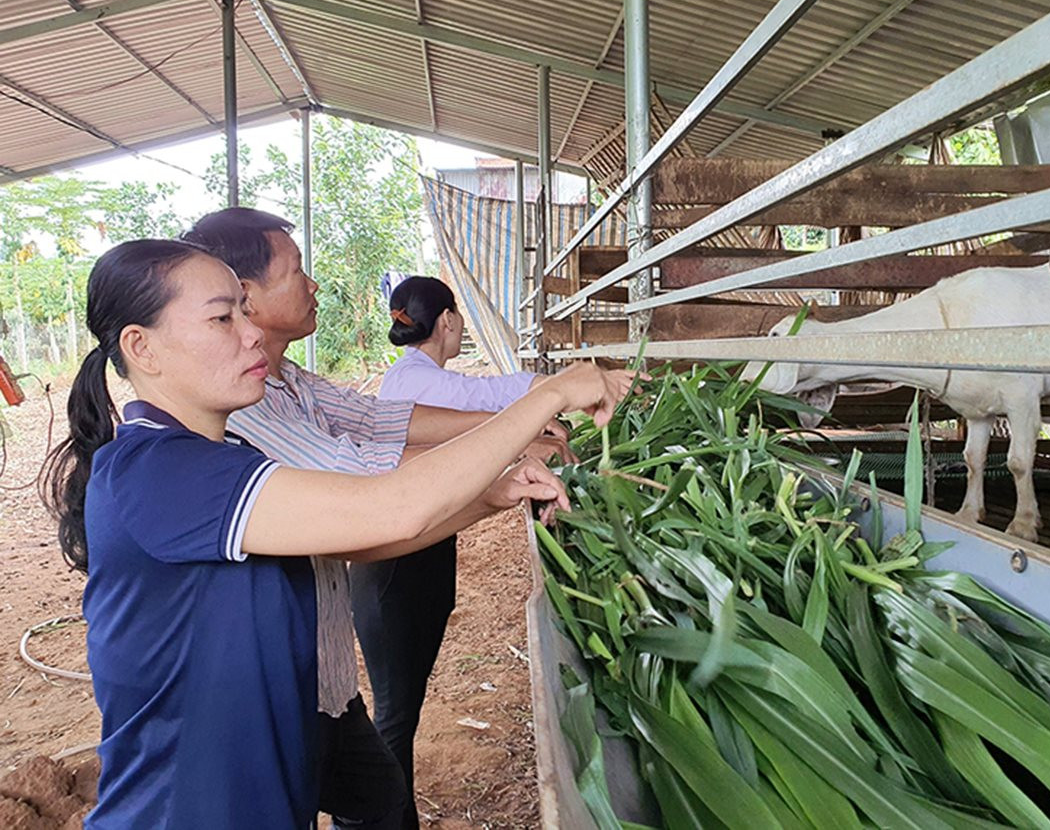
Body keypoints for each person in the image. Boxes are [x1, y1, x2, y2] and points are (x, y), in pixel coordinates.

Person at [40, 238, 634, 829]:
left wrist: (490, 494)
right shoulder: (162, 472)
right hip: (185, 810)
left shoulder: (228, 456)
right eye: (222, 318)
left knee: (375, 794)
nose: (250, 334)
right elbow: (390, 508)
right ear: (141, 347)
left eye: (244, 312)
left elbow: (354, 534)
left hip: (255, 793)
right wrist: (549, 395)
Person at [181, 207, 571, 829]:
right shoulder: (229, 419)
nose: (313, 285)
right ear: (243, 300)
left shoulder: (292, 385)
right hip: (268, 698)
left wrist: (507, 460)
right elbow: (371, 489)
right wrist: (531, 418)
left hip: (325, 680)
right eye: (297, 271)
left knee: (382, 804)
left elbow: (379, 424)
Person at [350, 275, 552, 801]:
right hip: (396, 569)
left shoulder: (410, 375)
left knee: (402, 706)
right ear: (446, 321)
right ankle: (387, 817)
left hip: (414, 558)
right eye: (458, 315)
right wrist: (563, 387)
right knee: (396, 711)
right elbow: (493, 396)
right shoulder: (424, 383)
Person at [378, 275, 546, 410]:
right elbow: (492, 394)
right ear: (448, 319)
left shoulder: (396, 374)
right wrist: (558, 384)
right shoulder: (429, 382)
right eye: (458, 311)